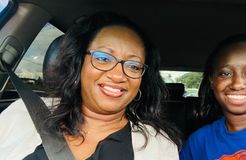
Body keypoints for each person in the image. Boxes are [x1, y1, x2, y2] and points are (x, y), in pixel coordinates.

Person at [0, 12, 180, 159]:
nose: (118, 75)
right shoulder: (24, 113)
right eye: (103, 58)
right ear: (79, 63)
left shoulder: (160, 147)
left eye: (133, 66)